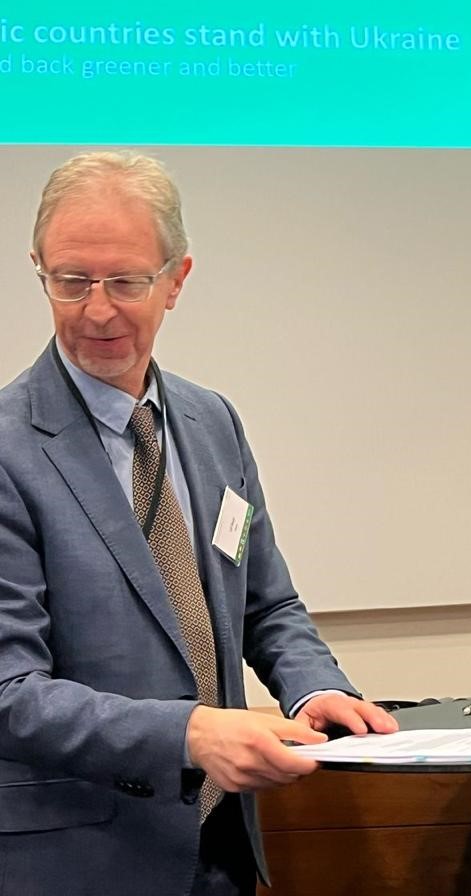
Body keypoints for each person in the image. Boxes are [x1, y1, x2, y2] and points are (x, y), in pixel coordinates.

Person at [0, 152, 399, 896]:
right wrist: (188, 733)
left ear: (176, 279)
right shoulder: (8, 449)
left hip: (223, 849)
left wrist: (314, 690)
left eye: (125, 282)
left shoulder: (210, 421)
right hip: (80, 864)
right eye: (71, 281)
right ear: (38, 271)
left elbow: (267, 605)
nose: (97, 310)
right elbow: (10, 691)